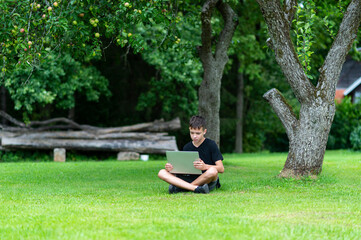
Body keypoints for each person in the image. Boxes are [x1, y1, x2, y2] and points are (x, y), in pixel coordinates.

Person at [158, 115, 224, 194]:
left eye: (198, 133)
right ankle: (196, 188)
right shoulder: (187, 147)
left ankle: (182, 188)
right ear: (189, 129)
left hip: (206, 180)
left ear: (204, 131)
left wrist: (205, 166)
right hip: (189, 177)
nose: (194, 136)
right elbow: (183, 170)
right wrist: (172, 169)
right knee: (162, 172)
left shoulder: (211, 144)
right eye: (192, 133)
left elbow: (221, 169)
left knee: (213, 171)